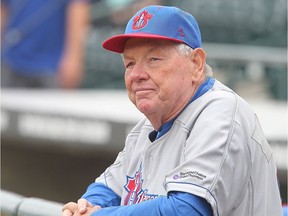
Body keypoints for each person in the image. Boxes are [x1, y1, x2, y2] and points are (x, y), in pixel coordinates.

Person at [62, 5, 283, 216]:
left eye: (153, 59)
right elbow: (109, 187)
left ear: (196, 63)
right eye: (130, 64)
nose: (136, 74)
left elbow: (187, 210)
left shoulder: (221, 112)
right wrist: (85, 206)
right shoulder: (147, 127)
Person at [1, 0, 90, 88]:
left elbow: (78, 7)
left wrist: (73, 58)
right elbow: (3, 9)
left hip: (53, 64)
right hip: (10, 59)